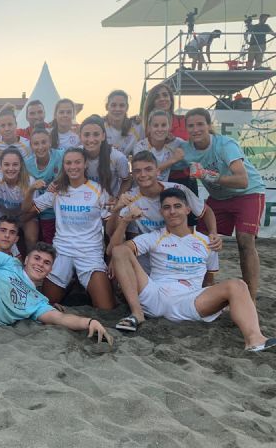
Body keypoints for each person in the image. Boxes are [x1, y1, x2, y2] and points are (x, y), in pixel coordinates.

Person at [110, 188, 275, 353]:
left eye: (177, 206)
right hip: (155, 296)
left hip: (191, 301)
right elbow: (114, 250)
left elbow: (209, 281)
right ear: (161, 212)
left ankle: (255, 340)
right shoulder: (154, 236)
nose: (172, 211)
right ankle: (136, 313)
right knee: (120, 251)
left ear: (187, 209)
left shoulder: (207, 242)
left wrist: (220, 301)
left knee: (238, 285)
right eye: (167, 207)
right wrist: (125, 221)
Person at [182, 108, 266, 301]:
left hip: (248, 193)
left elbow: (242, 180)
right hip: (219, 198)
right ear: (186, 129)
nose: (196, 129)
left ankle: (250, 300)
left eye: (200, 124)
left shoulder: (225, 144)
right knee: (201, 239)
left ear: (209, 126)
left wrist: (208, 175)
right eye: (191, 125)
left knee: (245, 242)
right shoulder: (186, 150)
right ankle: (206, 287)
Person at [22, 148, 115, 310]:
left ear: (85, 164)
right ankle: (72, 286)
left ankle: (78, 285)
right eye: (68, 163)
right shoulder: (57, 189)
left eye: (77, 162)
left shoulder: (97, 190)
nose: (73, 167)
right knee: (44, 305)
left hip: (89, 252)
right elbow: (27, 209)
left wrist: (112, 256)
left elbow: (110, 227)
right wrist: (31, 190)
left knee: (106, 308)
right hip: (62, 251)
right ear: (63, 166)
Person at [106, 151, 220, 276]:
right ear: (133, 174)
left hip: (177, 253)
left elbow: (206, 211)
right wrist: (117, 210)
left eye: (148, 169)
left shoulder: (178, 190)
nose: (143, 174)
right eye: (138, 171)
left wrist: (213, 233)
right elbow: (111, 233)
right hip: (146, 253)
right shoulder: (131, 197)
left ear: (158, 171)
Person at [141, 83, 195, 194]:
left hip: (184, 178)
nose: (162, 99)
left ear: (171, 98)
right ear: (152, 102)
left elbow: (195, 147)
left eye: (165, 95)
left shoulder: (185, 120)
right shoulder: (143, 125)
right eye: (157, 96)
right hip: (158, 181)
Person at [25, 126, 65, 244]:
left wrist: (59, 182)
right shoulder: (28, 165)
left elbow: (77, 163)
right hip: (45, 211)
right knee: (50, 243)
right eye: (36, 144)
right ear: (31, 146)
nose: (40, 147)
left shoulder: (62, 155)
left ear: (50, 142)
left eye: (44, 142)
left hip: (64, 208)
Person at [79, 114, 131, 199]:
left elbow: (127, 180)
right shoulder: (76, 155)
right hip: (84, 203)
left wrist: (118, 199)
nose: (91, 140)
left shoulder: (117, 157)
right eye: (86, 135)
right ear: (80, 136)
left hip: (108, 204)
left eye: (96, 134)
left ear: (103, 136)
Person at [133, 110, 185, 181]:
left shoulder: (176, 143)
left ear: (169, 127)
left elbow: (194, 147)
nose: (160, 129)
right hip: (143, 188)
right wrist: (173, 160)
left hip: (163, 188)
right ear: (149, 128)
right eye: (155, 125)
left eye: (163, 125)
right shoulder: (140, 147)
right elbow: (146, 172)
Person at [104, 90, 144, 156]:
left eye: (122, 105)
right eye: (113, 105)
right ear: (107, 107)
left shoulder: (137, 127)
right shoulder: (99, 126)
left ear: (127, 107)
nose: (117, 109)